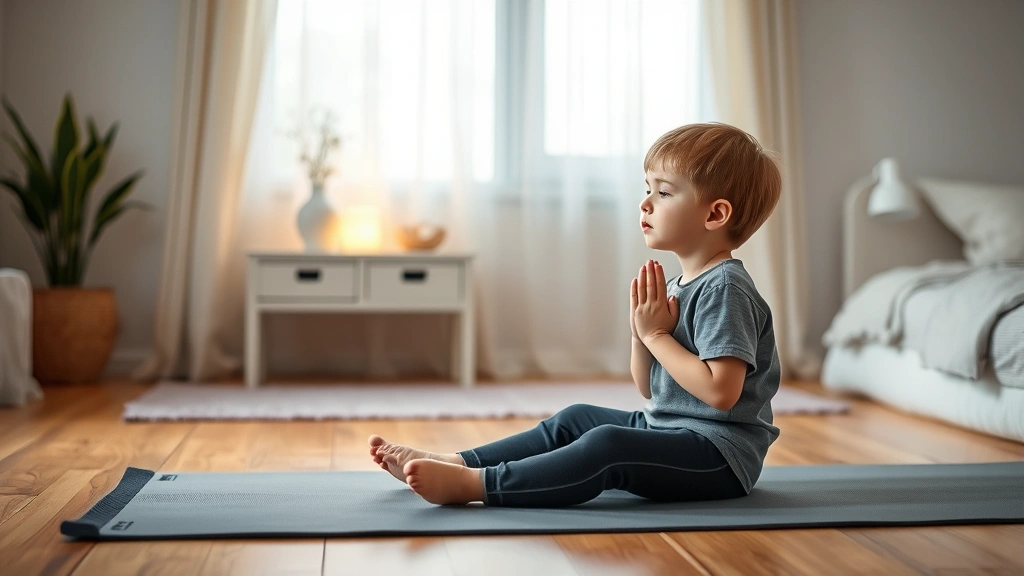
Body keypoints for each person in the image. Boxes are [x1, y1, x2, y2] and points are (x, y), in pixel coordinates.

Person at [369, 122, 782, 507]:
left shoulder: (725, 287)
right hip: (671, 430)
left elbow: (720, 394)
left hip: (719, 457)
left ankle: (479, 484)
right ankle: (458, 461)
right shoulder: (677, 284)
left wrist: (657, 337)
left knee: (607, 445)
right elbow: (648, 389)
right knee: (575, 418)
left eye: (664, 192)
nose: (645, 203)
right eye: (647, 188)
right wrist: (641, 334)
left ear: (715, 215)